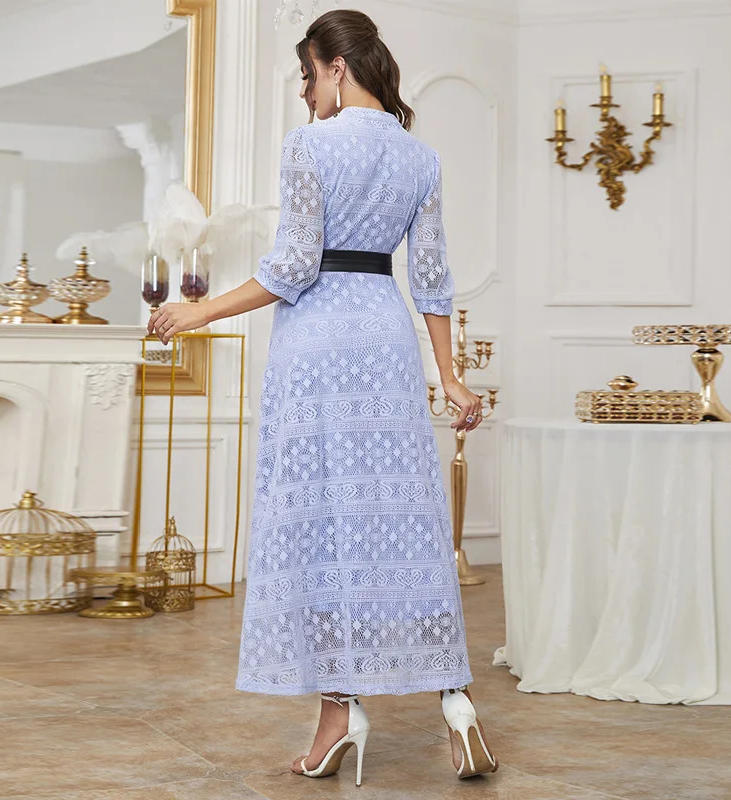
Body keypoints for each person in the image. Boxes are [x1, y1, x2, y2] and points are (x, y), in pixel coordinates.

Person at [148, 8, 498, 786]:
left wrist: (199, 311)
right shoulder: (422, 158)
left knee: (322, 525)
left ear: (338, 68)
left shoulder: (309, 145)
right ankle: (457, 701)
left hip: (317, 344)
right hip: (385, 334)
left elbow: (293, 266)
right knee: (405, 520)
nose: (305, 93)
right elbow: (432, 279)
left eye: (308, 76)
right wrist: (450, 376)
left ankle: (339, 716)